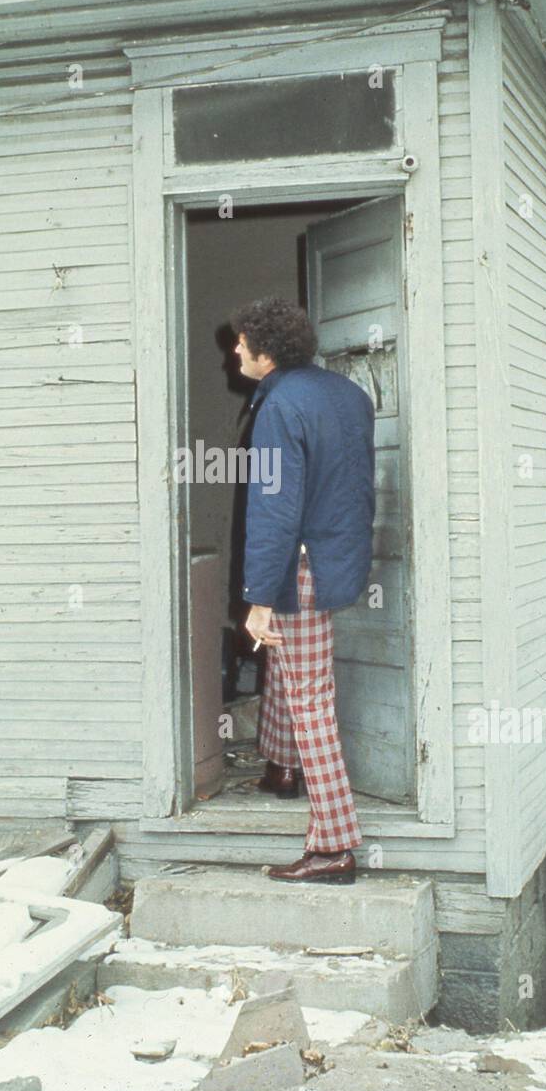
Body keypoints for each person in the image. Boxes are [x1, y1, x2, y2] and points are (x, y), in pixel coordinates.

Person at [231, 296, 376, 885]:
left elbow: (274, 508)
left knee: (310, 695)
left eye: (241, 342)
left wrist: (260, 596)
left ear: (266, 353)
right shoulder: (348, 394)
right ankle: (281, 768)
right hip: (337, 557)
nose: (234, 349)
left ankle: (334, 846)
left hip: (302, 566)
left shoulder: (278, 407)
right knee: (286, 664)